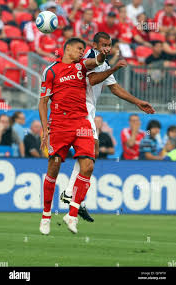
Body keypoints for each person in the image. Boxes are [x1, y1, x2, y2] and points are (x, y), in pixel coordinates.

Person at [60, 32, 155, 223]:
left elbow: (115, 88)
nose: (107, 48)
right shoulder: (88, 57)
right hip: (80, 107)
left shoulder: (103, 64)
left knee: (89, 154)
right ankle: (71, 194)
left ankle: (71, 194)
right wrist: (114, 68)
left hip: (88, 109)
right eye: (103, 44)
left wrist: (137, 102)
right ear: (94, 44)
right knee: (88, 153)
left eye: (109, 45)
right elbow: (92, 80)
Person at [39, 37, 110, 235]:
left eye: (84, 49)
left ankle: (72, 214)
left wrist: (103, 54)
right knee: (53, 167)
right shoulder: (51, 71)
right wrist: (45, 129)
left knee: (88, 165)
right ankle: (46, 215)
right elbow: (43, 102)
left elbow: (95, 62)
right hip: (60, 123)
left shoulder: (82, 67)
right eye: (79, 49)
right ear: (67, 48)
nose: (82, 52)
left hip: (81, 122)